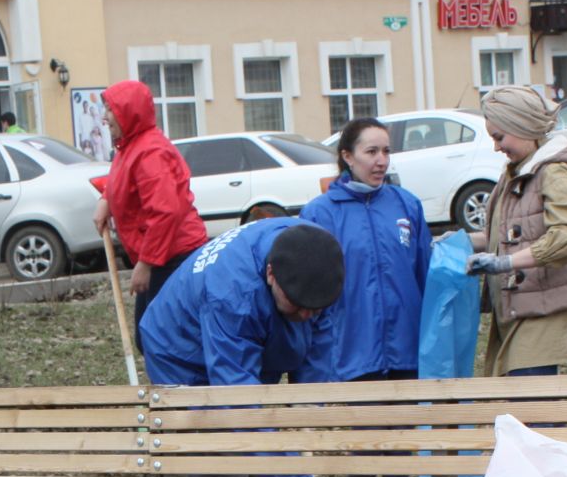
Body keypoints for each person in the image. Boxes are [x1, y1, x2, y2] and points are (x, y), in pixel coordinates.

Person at [466, 85, 567, 377]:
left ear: (522, 126)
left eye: (499, 137)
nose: (496, 147)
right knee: (530, 413)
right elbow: (506, 236)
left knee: (533, 412)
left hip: (543, 313)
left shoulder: (553, 170)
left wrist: (506, 263)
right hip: (522, 309)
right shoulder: (517, 169)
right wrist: (461, 242)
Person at [137, 217, 344, 387]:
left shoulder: (321, 257)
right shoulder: (232, 297)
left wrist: (307, 409)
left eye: (314, 309)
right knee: (210, 426)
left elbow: (320, 340)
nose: (305, 315)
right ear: (271, 274)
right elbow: (236, 392)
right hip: (178, 349)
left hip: (242, 322)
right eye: (296, 303)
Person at [298, 118, 431, 382]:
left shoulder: (407, 204)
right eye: (371, 152)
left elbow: (425, 276)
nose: (381, 161)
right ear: (348, 156)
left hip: (406, 352)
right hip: (351, 356)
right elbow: (308, 294)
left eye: (386, 151)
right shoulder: (319, 213)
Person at [90, 80, 209, 334]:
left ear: (128, 111)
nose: (104, 117)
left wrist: (145, 264)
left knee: (161, 336)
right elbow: (121, 178)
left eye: (110, 110)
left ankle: (186, 375)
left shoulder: (150, 152)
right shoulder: (130, 146)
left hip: (176, 257)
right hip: (160, 257)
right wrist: (106, 199)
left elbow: (165, 212)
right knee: (151, 334)